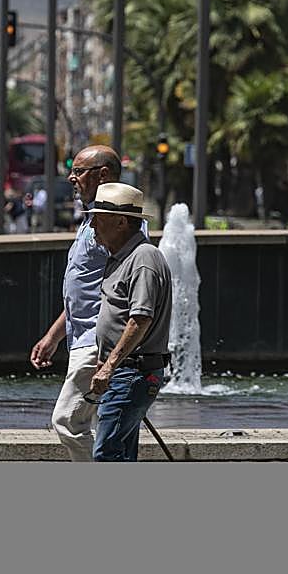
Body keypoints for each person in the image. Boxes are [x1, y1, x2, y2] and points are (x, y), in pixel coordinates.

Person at [29, 145, 126, 461]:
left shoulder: (115, 224)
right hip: (80, 338)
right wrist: (53, 336)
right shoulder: (92, 220)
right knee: (97, 425)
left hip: (96, 342)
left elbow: (124, 289)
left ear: (103, 175)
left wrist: (110, 353)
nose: (71, 177)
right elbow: (81, 291)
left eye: (79, 171)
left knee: (67, 420)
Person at [87, 182, 172, 462]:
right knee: (121, 452)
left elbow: (140, 319)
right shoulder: (121, 258)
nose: (92, 226)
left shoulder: (143, 259)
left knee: (107, 453)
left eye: (98, 219)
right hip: (125, 371)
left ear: (121, 222)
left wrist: (110, 365)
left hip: (132, 372)